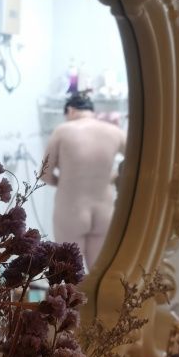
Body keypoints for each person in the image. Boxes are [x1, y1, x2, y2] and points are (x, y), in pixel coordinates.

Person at [41, 92, 126, 270]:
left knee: (70, 274)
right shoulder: (115, 132)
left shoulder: (62, 131)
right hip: (104, 213)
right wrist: (113, 177)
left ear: (70, 110)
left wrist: (64, 182)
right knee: (100, 273)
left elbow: (45, 174)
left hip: (71, 212)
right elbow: (139, 161)